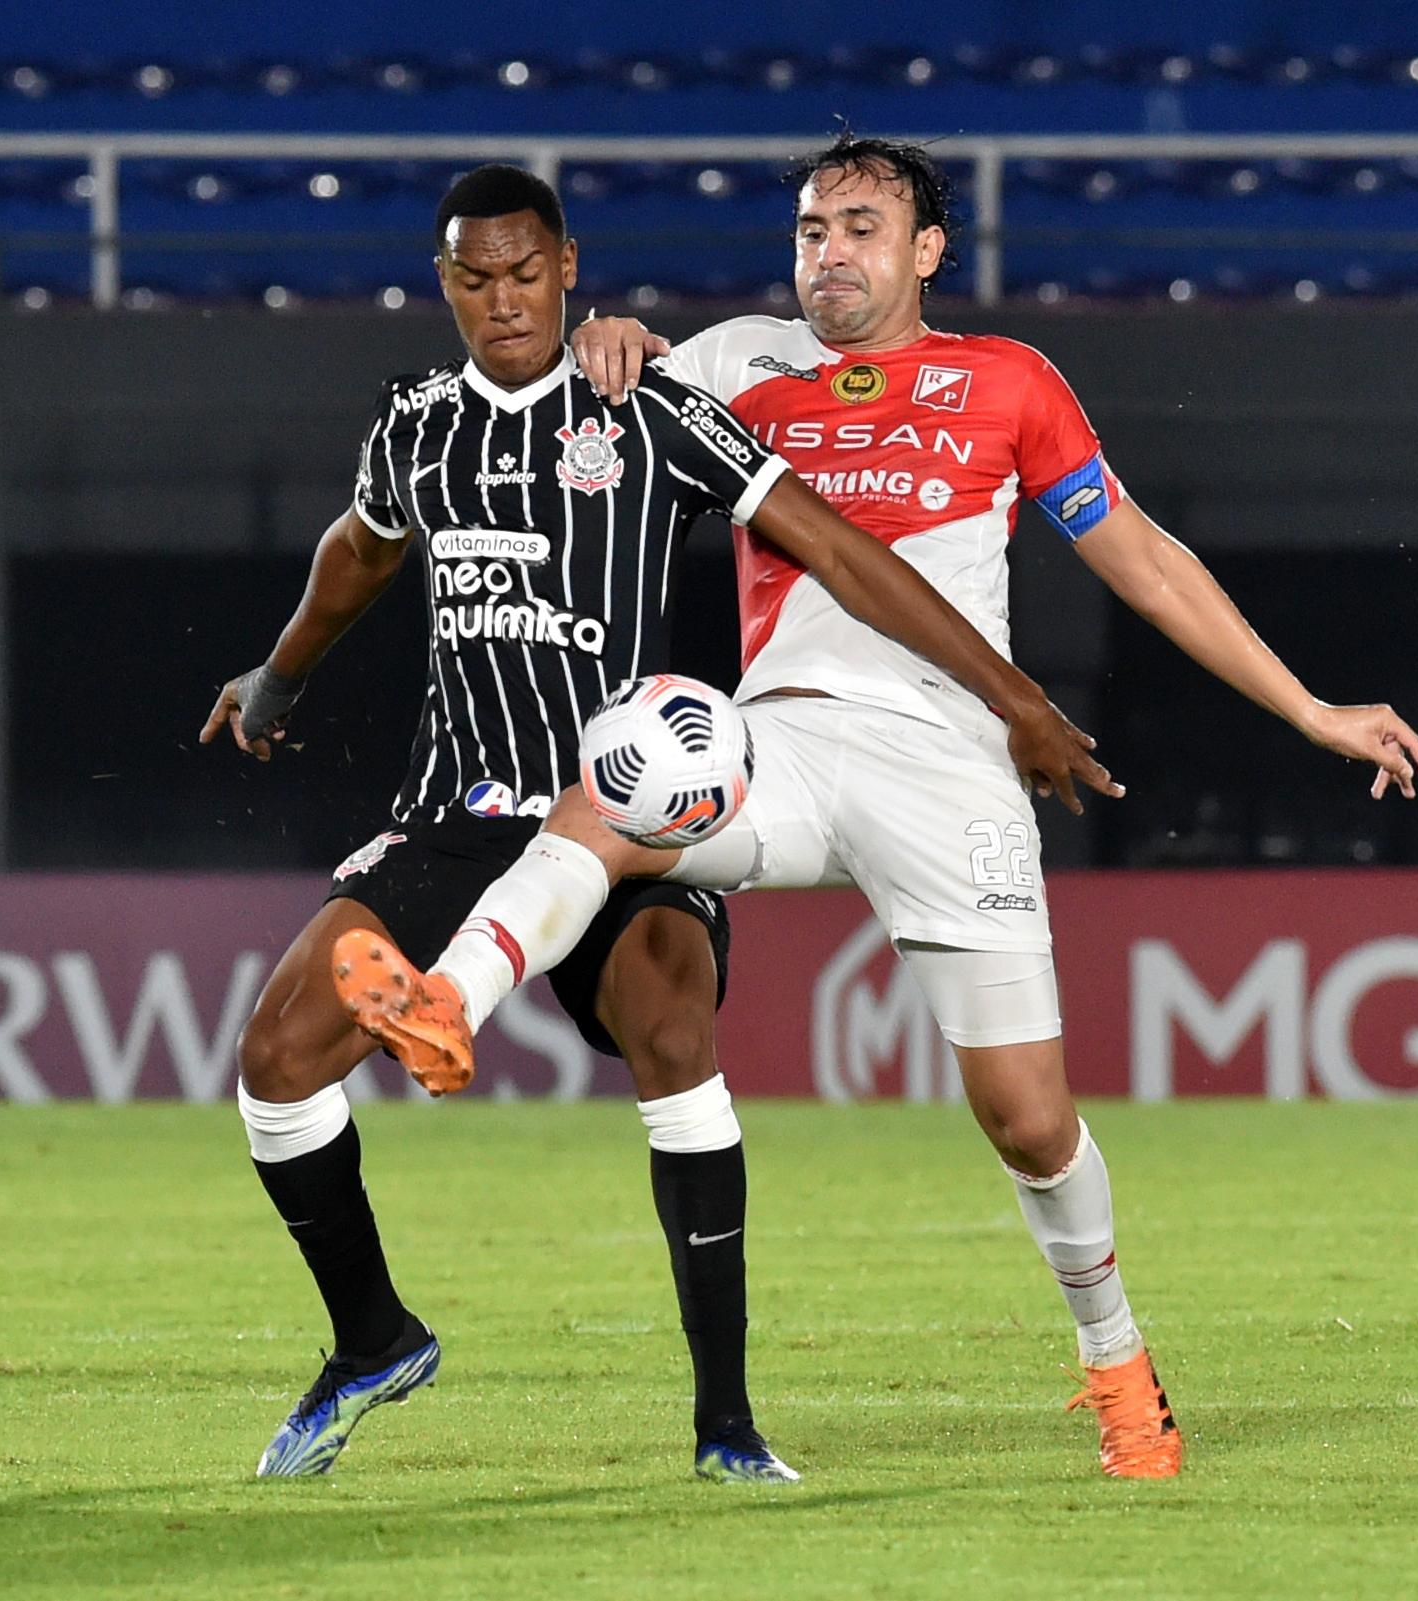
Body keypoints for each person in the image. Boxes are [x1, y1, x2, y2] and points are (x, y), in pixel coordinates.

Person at [336, 135, 1418, 1481]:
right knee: (624, 770)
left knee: (1029, 1119)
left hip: (947, 765)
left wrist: (1312, 709)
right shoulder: (734, 362)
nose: (828, 254)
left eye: (860, 227)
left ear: (926, 251)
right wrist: (605, 338)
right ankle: (452, 998)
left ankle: (1117, 1358)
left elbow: (1142, 559)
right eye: (809, 230)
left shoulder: (1008, 384)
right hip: (780, 743)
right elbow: (566, 411)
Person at [200, 161, 1102, 1481]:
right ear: (444, 283)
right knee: (274, 1066)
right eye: (475, 277)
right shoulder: (417, 426)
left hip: (630, 816)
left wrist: (1014, 694)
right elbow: (358, 552)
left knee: (673, 1031)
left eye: (526, 273)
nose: (503, 300)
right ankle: (372, 1337)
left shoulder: (652, 413)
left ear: (569, 270)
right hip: (454, 814)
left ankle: (727, 1425)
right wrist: (281, 672)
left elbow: (843, 548)